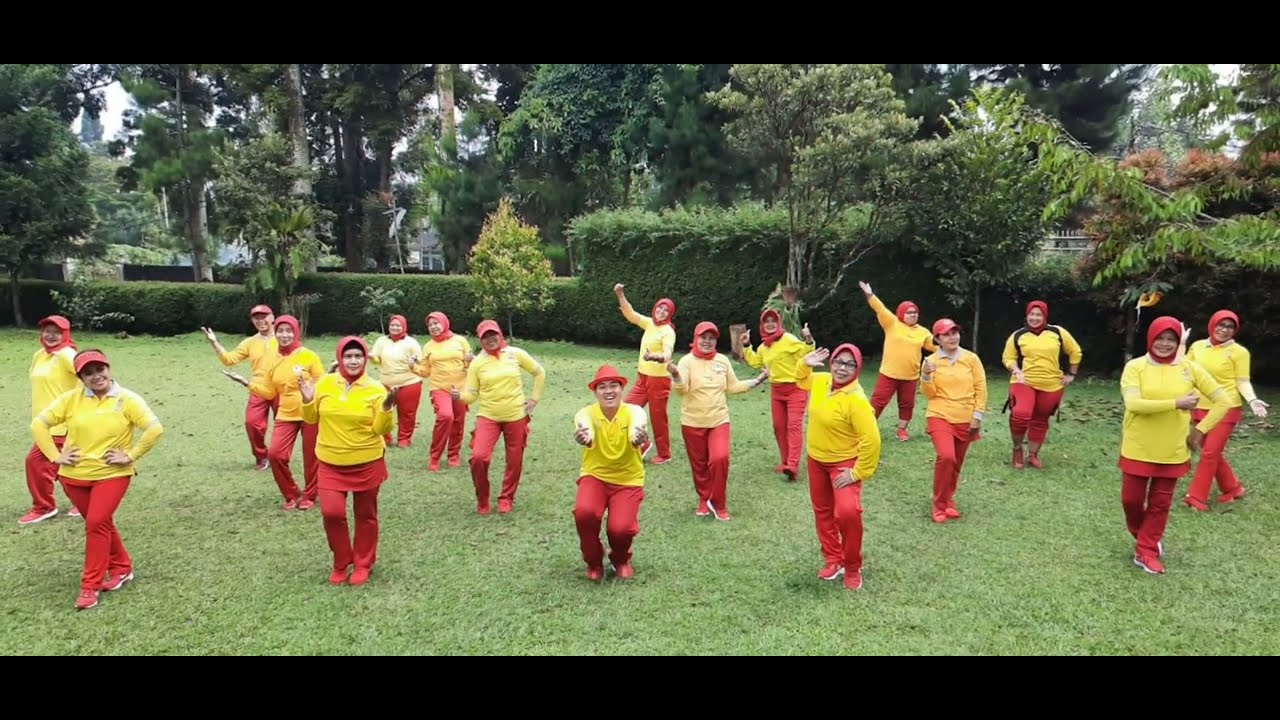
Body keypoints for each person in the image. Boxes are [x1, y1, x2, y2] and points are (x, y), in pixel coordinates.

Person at [30, 349, 164, 610]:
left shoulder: (127, 399)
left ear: (108, 368)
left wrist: (131, 454)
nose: (95, 376)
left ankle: (89, 587)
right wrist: (56, 456)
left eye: (99, 370)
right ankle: (122, 568)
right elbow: (39, 425)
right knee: (100, 524)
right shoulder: (71, 399)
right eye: (88, 373)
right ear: (80, 377)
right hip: (73, 476)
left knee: (95, 522)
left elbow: (154, 428)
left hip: (112, 474)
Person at [1118, 316, 1229, 573]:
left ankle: (1146, 549)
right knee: (1131, 501)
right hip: (1138, 446)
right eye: (1160, 338)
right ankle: (1144, 537)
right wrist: (1176, 403)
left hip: (1173, 450)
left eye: (1171, 339)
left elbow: (1222, 401)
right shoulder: (1136, 367)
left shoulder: (1189, 368)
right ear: (1150, 338)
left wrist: (1199, 431)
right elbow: (1133, 404)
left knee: (1160, 504)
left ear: (1178, 342)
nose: (1165, 344)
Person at [299, 336, 397, 586]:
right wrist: (308, 398)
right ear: (340, 358)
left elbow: (379, 429)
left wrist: (386, 409)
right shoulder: (326, 383)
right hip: (330, 461)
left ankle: (363, 564)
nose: (353, 361)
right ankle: (341, 561)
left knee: (365, 515)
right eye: (348, 356)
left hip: (367, 460)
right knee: (332, 513)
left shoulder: (375, 388)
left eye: (358, 356)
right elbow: (311, 420)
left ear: (365, 359)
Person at [794, 344, 882, 591]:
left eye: (849, 364)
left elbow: (871, 440)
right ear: (831, 363)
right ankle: (833, 559)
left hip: (843, 464)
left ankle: (852, 566)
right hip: (816, 460)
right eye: (838, 362)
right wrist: (804, 363)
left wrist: (857, 473)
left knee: (847, 513)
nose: (842, 368)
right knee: (822, 511)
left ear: (857, 368)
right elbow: (800, 380)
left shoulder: (857, 400)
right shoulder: (822, 381)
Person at [668, 321, 768, 521]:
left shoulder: (722, 360)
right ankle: (704, 499)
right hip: (692, 422)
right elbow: (681, 390)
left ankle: (719, 503)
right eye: (703, 337)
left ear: (716, 341)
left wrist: (757, 381)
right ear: (696, 339)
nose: (707, 341)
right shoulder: (686, 362)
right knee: (700, 466)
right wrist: (676, 375)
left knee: (719, 458)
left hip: (719, 420)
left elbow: (732, 386)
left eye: (711, 338)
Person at [223, 315, 324, 510]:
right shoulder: (272, 360)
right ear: (275, 333)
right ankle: (291, 494)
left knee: (312, 457)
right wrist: (246, 383)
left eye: (288, 331)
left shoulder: (309, 356)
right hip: (285, 414)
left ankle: (310, 495)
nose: (284, 335)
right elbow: (269, 392)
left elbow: (323, 382)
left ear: (296, 332)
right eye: (280, 331)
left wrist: (312, 394)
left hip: (310, 411)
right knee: (276, 455)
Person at [454, 319, 546, 514]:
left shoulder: (515, 354)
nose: (490, 339)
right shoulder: (477, 363)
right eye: (485, 337)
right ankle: (483, 499)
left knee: (514, 459)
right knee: (479, 458)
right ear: (480, 340)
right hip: (488, 416)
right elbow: (471, 394)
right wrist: (459, 396)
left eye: (492, 334)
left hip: (516, 415)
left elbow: (539, 372)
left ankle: (506, 498)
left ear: (499, 334)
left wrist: (533, 399)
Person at [1183, 310, 1270, 510]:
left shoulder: (1239, 352)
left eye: (1230, 327)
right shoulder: (1197, 346)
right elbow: (1185, 370)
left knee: (1210, 453)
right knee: (1211, 452)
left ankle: (1196, 498)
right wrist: (1181, 344)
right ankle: (1233, 489)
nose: (1224, 330)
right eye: (1221, 325)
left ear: (1235, 330)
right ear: (1212, 325)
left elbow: (1242, 381)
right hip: (1200, 407)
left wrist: (1252, 399)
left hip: (1226, 407)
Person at [571, 365, 650, 581]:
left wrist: (637, 437)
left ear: (622, 388)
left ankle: (621, 559)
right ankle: (594, 560)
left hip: (628, 480)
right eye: (602, 387)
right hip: (595, 476)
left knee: (621, 529)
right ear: (595, 392)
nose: (608, 391)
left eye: (613, 385)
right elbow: (583, 426)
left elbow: (638, 424)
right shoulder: (586, 413)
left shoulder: (634, 411)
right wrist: (584, 437)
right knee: (585, 513)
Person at [1001, 300, 1083, 469]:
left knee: (1040, 419)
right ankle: (1017, 449)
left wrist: (1072, 374)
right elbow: (1008, 357)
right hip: (1024, 381)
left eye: (1039, 314)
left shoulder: (1057, 332)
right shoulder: (1018, 335)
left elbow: (1075, 351)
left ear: (1045, 316)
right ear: (1027, 315)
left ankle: (1032, 455)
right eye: (1032, 314)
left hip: (1052, 383)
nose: (1035, 318)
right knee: (1020, 414)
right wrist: (1016, 369)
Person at [919, 319, 987, 524]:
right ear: (937, 339)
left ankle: (948, 500)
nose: (953, 337)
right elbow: (929, 394)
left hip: (966, 417)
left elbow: (981, 388)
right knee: (946, 457)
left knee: (956, 462)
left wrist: (977, 416)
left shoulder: (971, 359)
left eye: (955, 332)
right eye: (947, 334)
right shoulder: (930, 361)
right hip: (939, 414)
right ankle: (938, 504)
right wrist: (925, 375)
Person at [20, 315, 82, 525]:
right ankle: (84, 502)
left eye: (57, 332)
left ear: (65, 334)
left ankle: (44, 507)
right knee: (65, 465)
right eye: (47, 330)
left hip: (61, 424)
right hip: (43, 423)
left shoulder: (67, 354)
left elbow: (88, 378)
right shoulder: (39, 355)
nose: (51, 335)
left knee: (37, 462)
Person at [741, 310, 817, 480]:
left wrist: (808, 338)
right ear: (762, 325)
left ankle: (792, 464)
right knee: (779, 427)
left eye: (773, 321)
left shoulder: (788, 339)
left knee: (793, 426)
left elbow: (807, 351)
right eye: (766, 321)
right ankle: (785, 462)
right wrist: (746, 346)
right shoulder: (764, 347)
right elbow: (755, 361)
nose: (770, 324)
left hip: (796, 388)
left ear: (778, 323)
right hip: (777, 391)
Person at [202, 305, 279, 470]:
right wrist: (214, 343)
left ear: (272, 318)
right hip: (258, 388)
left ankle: (280, 457)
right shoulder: (250, 342)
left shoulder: (283, 337)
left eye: (263, 316)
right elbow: (229, 359)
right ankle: (262, 456)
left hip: (282, 387)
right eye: (256, 318)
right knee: (252, 423)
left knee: (285, 426)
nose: (260, 321)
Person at [858, 281, 936, 442]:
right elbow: (880, 308)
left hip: (910, 376)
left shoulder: (923, 331)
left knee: (907, 404)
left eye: (915, 312)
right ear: (901, 314)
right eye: (909, 312)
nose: (913, 315)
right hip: (889, 373)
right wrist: (869, 294)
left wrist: (948, 342)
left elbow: (933, 346)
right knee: (878, 401)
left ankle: (902, 430)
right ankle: (867, 428)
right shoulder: (892, 323)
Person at [613, 283, 676, 465]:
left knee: (658, 418)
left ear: (669, 314)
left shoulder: (667, 331)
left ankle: (664, 454)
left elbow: (668, 353)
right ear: (655, 308)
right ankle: (644, 443)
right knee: (625, 409)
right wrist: (620, 294)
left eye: (666, 310)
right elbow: (630, 314)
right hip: (643, 378)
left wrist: (655, 357)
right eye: (660, 308)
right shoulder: (649, 323)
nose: (662, 312)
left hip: (659, 381)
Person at [411, 312, 474, 472]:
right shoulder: (428, 346)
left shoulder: (460, 341)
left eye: (436, 323)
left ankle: (453, 455)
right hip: (439, 388)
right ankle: (434, 457)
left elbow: (470, 366)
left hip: (460, 388)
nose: (433, 327)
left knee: (458, 421)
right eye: (430, 325)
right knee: (446, 416)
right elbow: (425, 371)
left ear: (445, 323)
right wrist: (413, 366)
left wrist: (469, 361)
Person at [370, 314, 424, 449]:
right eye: (392, 325)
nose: (394, 327)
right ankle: (385, 436)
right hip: (386, 382)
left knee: (407, 413)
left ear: (404, 327)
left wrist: (414, 361)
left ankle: (404, 439)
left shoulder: (411, 342)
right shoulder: (381, 341)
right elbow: (377, 360)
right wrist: (371, 357)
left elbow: (421, 361)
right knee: (381, 409)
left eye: (398, 325)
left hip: (409, 383)